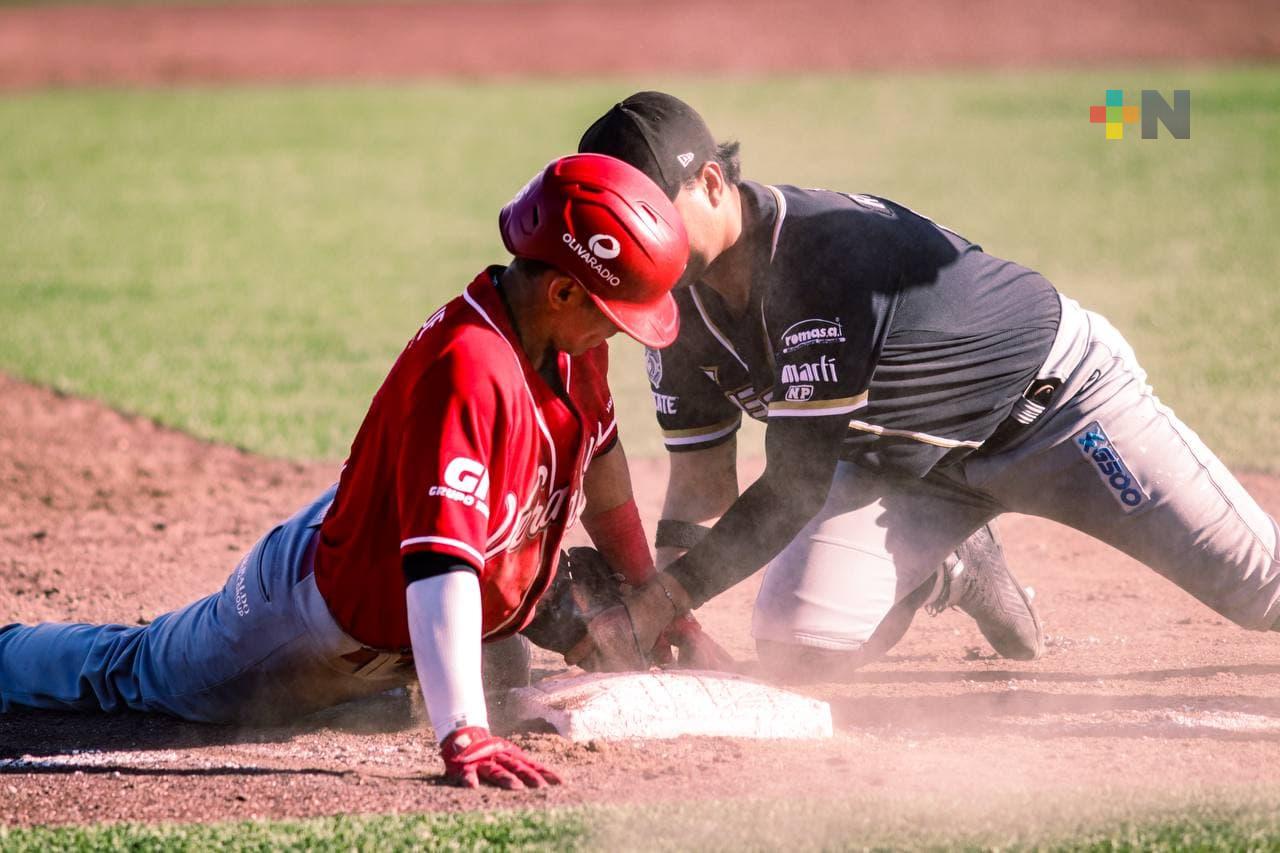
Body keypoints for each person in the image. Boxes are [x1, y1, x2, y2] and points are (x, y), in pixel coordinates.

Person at [0, 153, 691, 790]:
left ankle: (398, 685)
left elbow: (601, 463)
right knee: (138, 672)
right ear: (563, 292)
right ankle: (10, 652)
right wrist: (464, 732)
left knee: (467, 672)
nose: (620, 331)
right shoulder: (468, 369)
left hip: (395, 581)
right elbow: (438, 566)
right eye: (614, 315)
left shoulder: (568, 345)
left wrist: (649, 590)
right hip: (308, 616)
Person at [567, 92, 1280, 678]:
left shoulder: (820, 257)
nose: (639, 241)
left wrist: (654, 605)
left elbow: (794, 488)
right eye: (624, 225)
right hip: (905, 470)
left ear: (712, 183)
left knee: (1259, 590)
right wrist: (675, 621)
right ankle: (953, 565)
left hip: (1062, 409)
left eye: (654, 214)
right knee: (797, 647)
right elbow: (701, 483)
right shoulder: (671, 303)